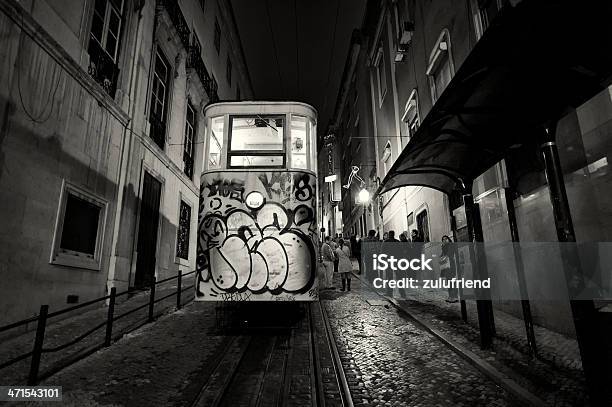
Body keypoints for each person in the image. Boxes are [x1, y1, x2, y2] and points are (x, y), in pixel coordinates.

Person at [440, 235, 458, 302]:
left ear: (448, 239)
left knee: (452, 280)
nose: (444, 240)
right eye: (443, 239)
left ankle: (454, 296)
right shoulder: (444, 246)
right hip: (446, 265)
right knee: (449, 280)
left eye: (446, 239)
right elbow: (442, 255)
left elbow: (449, 254)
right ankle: (451, 296)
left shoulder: (451, 245)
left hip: (451, 264)